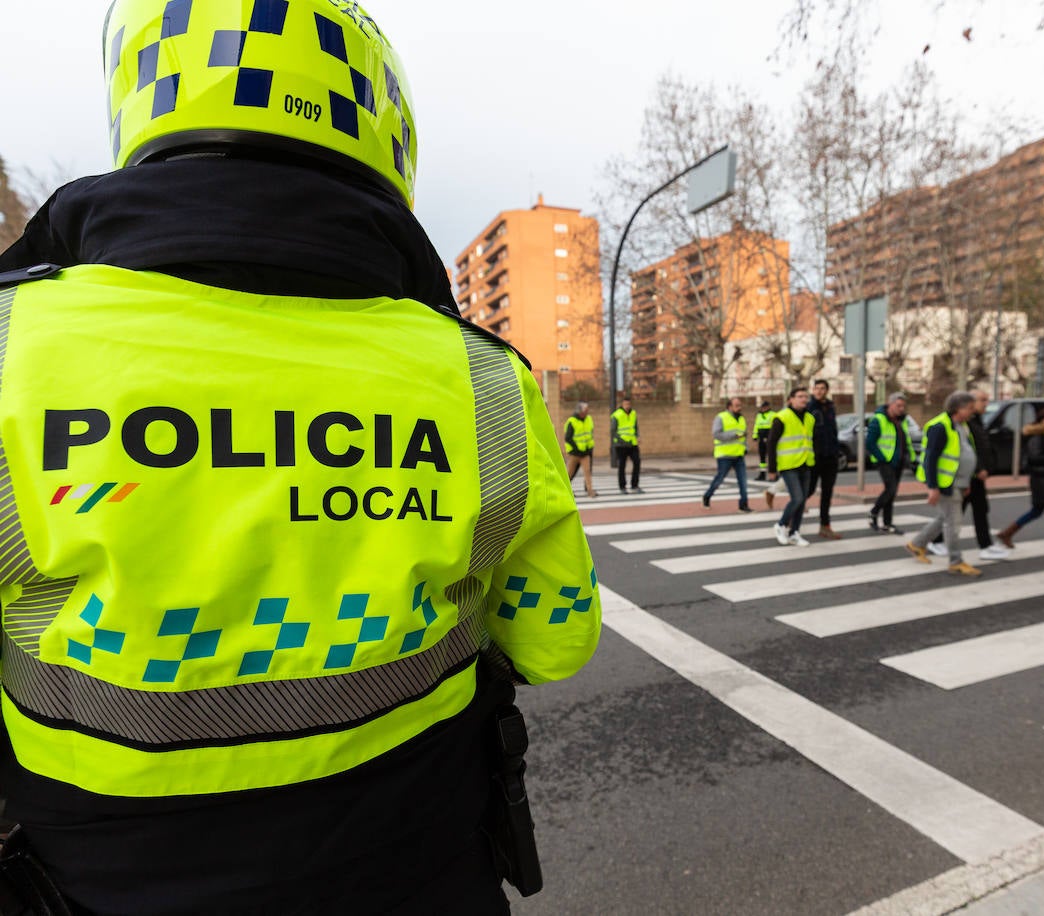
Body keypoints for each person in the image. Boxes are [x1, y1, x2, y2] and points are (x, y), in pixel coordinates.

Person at [0, 1, 602, 912]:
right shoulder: (481, 381)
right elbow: (558, 639)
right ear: (384, 128)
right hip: (422, 868)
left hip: (96, 885)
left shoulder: (13, 345)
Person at [904, 392, 983, 577]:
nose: (973, 412)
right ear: (959, 408)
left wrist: (966, 481)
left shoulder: (961, 426)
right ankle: (955, 561)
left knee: (944, 518)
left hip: (958, 482)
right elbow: (931, 459)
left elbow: (962, 453)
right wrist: (933, 487)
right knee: (953, 523)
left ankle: (917, 544)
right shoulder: (940, 426)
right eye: (970, 408)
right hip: (946, 483)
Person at [932, 389, 1008, 561]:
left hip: (971, 475)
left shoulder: (976, 420)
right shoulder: (965, 423)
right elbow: (966, 449)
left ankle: (984, 545)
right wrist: (978, 469)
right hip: (968, 475)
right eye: (982, 400)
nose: (986, 404)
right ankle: (936, 543)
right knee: (954, 514)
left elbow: (979, 447)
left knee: (977, 510)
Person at [996, 406, 1044, 557]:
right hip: (1042, 481)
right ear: (1040, 421)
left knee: (1036, 512)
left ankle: (1007, 533)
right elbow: (1034, 459)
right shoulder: (1037, 438)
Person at [768, 387, 815, 546]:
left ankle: (795, 532)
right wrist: (772, 468)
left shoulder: (810, 418)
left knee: (802, 502)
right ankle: (780, 525)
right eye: (800, 396)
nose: (804, 399)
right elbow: (771, 443)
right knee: (797, 498)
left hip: (806, 463)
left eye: (805, 397)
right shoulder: (781, 417)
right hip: (788, 465)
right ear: (791, 399)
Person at [866, 393, 914, 534]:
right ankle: (873, 512)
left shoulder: (902, 420)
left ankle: (888, 523)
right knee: (890, 489)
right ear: (890, 404)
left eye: (903, 406)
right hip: (885, 461)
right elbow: (870, 443)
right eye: (898, 406)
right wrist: (882, 458)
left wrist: (909, 455)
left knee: (892, 493)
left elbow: (905, 439)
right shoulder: (879, 419)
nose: (901, 409)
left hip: (899, 461)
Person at [805, 379, 843, 539]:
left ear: (827, 390)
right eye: (817, 388)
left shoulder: (830, 407)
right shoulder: (808, 408)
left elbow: (833, 430)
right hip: (815, 457)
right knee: (809, 489)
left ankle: (825, 526)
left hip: (830, 457)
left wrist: (837, 451)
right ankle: (790, 515)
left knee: (827, 493)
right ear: (813, 390)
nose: (819, 391)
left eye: (822, 388)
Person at [703, 397, 753, 512]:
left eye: (740, 405)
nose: (740, 408)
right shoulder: (720, 417)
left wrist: (745, 447)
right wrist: (734, 435)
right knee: (719, 479)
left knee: (743, 481)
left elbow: (743, 435)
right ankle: (707, 496)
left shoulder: (742, 419)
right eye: (737, 405)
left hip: (739, 455)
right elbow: (716, 434)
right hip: (724, 455)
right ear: (729, 407)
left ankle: (743, 504)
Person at [564, 401, 598, 497]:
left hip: (585, 453)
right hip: (574, 453)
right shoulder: (572, 421)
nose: (587, 412)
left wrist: (589, 448)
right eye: (586, 410)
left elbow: (590, 434)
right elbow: (568, 438)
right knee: (569, 473)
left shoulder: (589, 419)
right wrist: (577, 448)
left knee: (587, 472)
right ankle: (566, 491)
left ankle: (590, 491)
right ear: (580, 411)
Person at [611, 395, 643, 495]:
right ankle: (622, 486)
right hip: (621, 445)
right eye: (625, 404)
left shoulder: (633, 413)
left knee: (637, 462)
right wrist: (620, 440)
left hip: (632, 444)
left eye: (629, 404)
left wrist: (638, 436)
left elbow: (635, 427)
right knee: (622, 466)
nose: (627, 406)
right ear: (622, 404)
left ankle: (634, 485)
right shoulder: (616, 415)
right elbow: (613, 431)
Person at [752, 400, 777, 481]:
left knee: (772, 456)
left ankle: (774, 474)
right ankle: (762, 474)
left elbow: (775, 427)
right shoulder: (759, 415)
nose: (763, 408)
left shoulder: (773, 414)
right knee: (762, 458)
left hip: (770, 438)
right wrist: (755, 436)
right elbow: (756, 426)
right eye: (762, 407)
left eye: (764, 407)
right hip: (761, 438)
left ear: (768, 407)